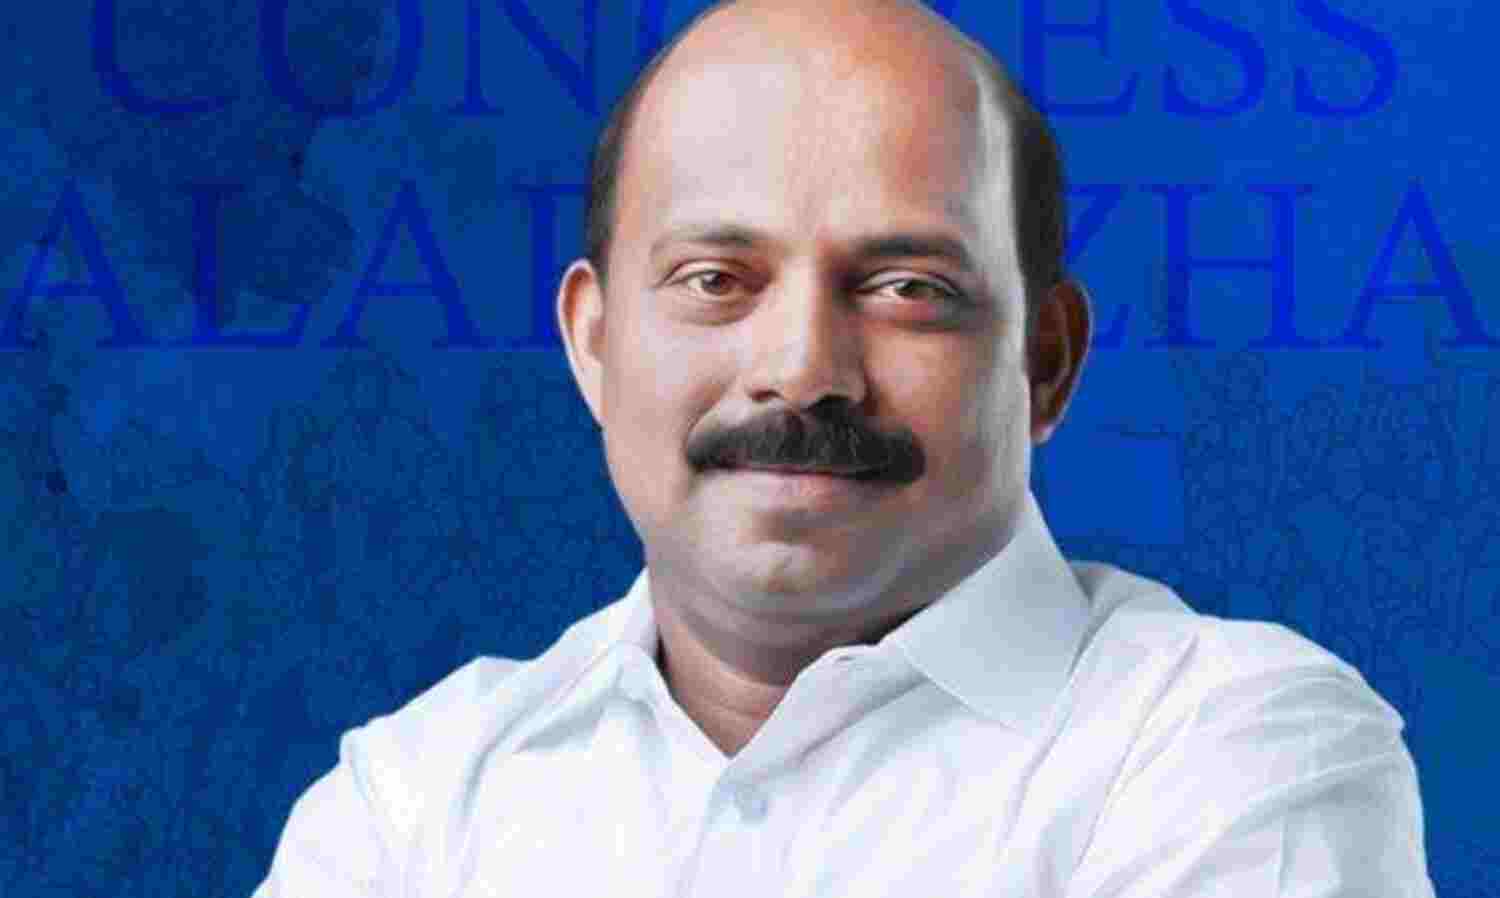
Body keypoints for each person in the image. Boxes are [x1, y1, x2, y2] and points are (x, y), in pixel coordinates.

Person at [254, 1, 1434, 894]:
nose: (805, 366)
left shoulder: (1239, 751)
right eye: (717, 279)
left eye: (907, 287)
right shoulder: (408, 802)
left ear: (1047, 360)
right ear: (595, 345)